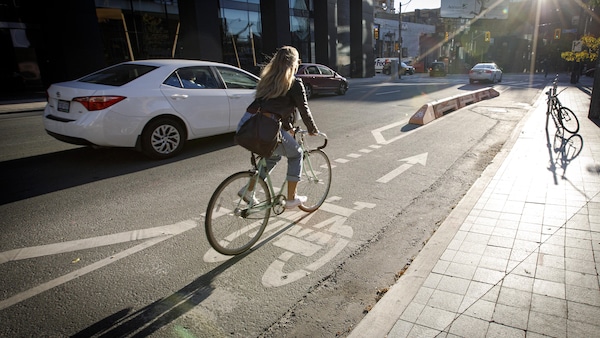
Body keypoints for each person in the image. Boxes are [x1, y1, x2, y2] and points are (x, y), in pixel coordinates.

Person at [237, 46, 320, 209]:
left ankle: (248, 190)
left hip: (248, 123)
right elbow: (303, 109)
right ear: (294, 63)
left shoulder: (267, 80)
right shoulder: (295, 82)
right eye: (298, 62)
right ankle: (291, 198)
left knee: (273, 156)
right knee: (296, 154)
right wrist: (312, 129)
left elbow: (274, 107)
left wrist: (288, 127)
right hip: (267, 127)